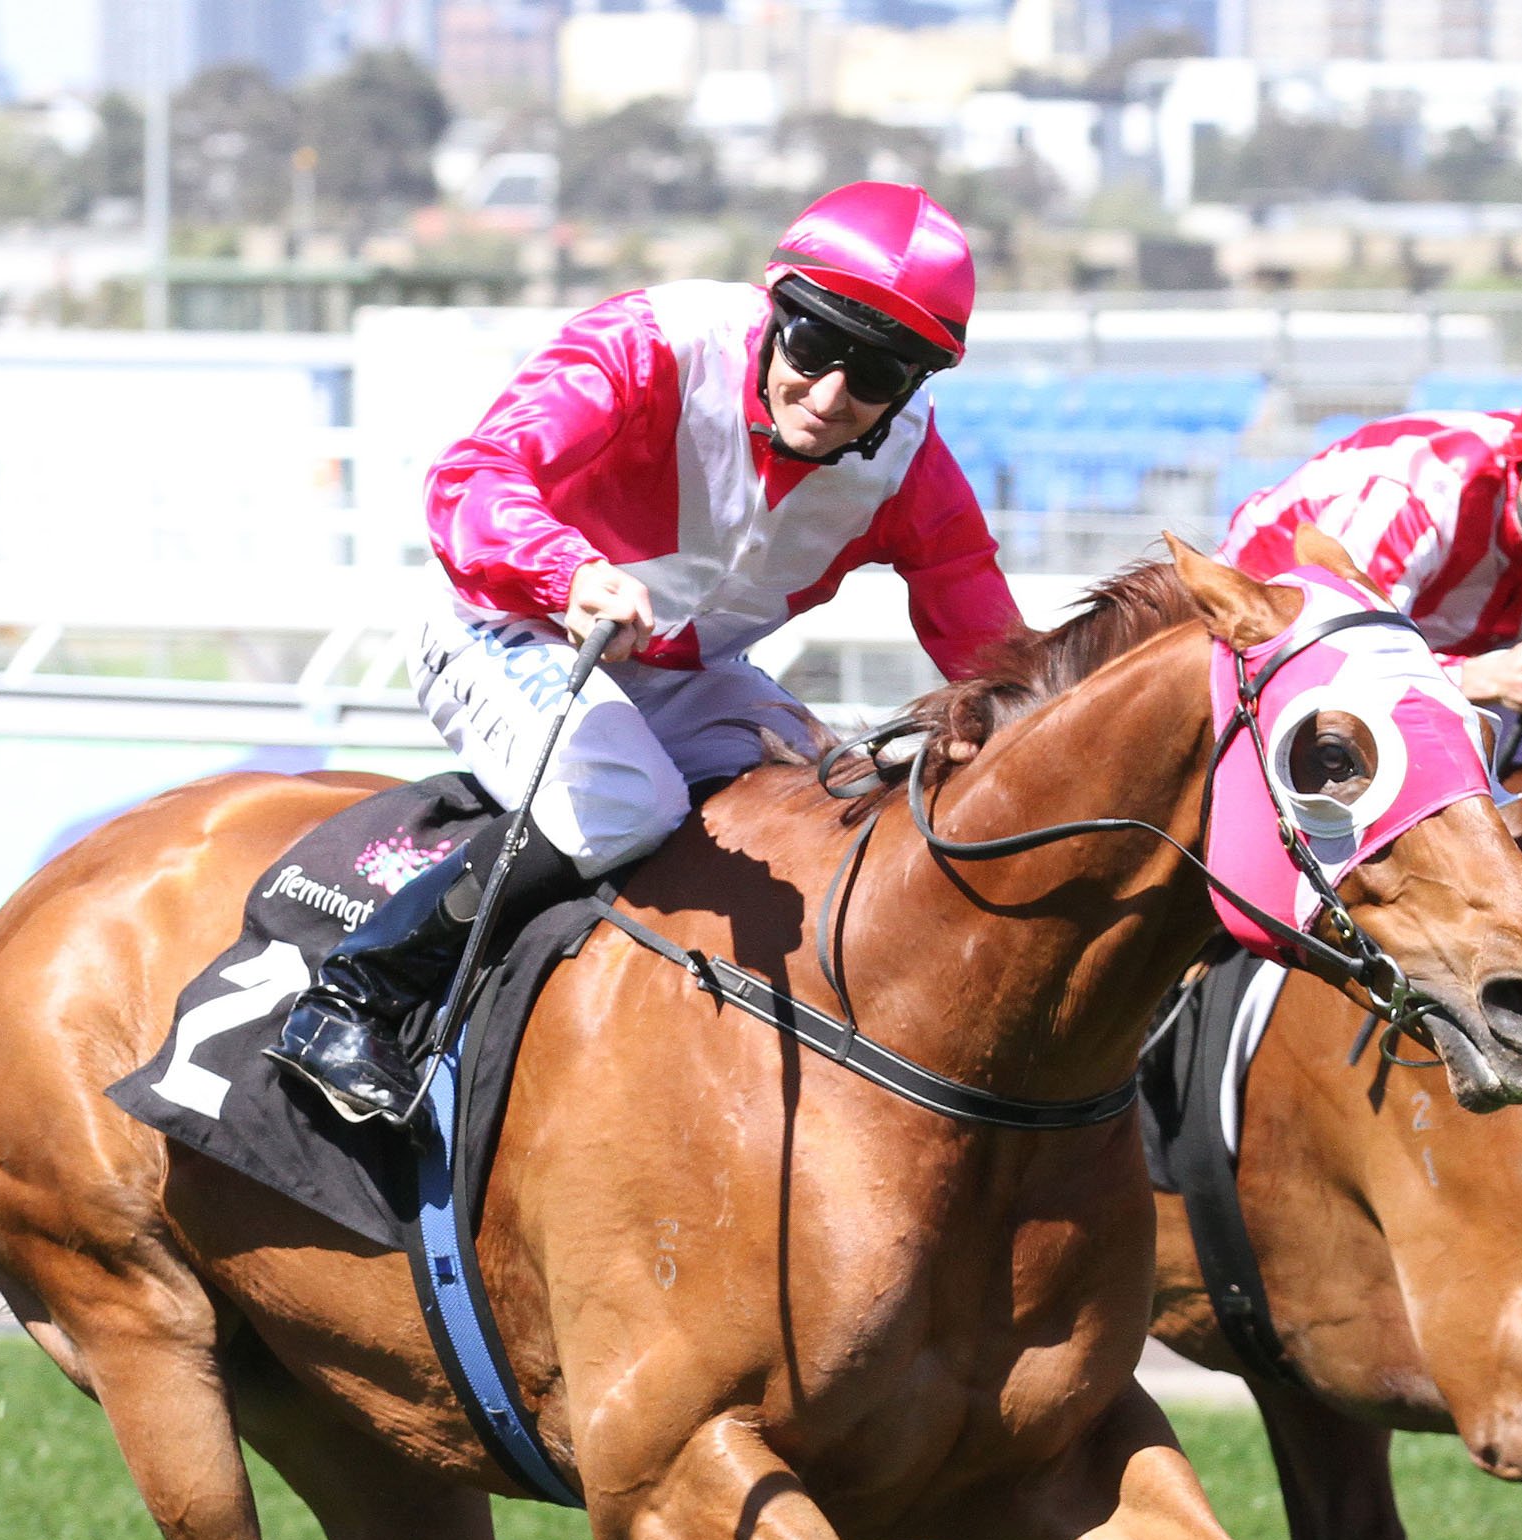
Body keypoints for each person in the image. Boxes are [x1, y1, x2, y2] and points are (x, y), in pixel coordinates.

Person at [269, 181, 1027, 1124]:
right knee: (628, 801)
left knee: (830, 805)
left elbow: (994, 650)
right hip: (510, 624)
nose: (831, 396)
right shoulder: (652, 341)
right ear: (776, 307)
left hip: (685, 675)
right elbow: (472, 479)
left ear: (915, 385)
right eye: (816, 347)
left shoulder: (910, 465)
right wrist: (567, 572)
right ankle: (363, 988)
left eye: (876, 375)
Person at [1219, 348, 1522, 765]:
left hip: (1418, 668)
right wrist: (1481, 677)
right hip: (1255, 664)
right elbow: (1326, 668)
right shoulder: (1425, 495)